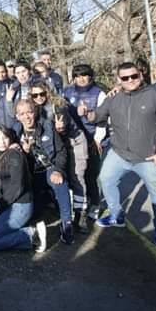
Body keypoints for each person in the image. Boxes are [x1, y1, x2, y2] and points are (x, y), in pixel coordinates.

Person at [86, 61, 156, 249]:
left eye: (134, 76)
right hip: (119, 153)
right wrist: (86, 112)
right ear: (118, 80)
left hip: (149, 157)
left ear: (141, 75)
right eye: (125, 78)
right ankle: (116, 215)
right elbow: (98, 116)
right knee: (105, 180)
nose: (130, 80)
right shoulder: (114, 98)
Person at [29, 80, 90, 233]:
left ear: (47, 92)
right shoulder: (35, 109)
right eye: (34, 95)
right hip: (58, 144)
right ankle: (65, 208)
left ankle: (80, 214)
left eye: (42, 94)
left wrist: (61, 128)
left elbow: (63, 120)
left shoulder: (58, 104)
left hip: (73, 141)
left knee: (77, 177)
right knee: (63, 177)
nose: (38, 97)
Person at [13, 98, 74, 244]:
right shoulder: (14, 133)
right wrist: (25, 153)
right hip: (30, 176)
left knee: (60, 182)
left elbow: (61, 151)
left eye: (29, 112)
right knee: (34, 211)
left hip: (49, 168)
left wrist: (58, 170)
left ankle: (67, 223)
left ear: (35, 112)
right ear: (17, 116)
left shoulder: (47, 125)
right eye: (22, 114)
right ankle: (46, 199)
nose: (27, 117)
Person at [0, 126, 47, 253]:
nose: (2, 142)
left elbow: (17, 186)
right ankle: (16, 230)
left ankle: (31, 234)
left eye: (4, 138)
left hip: (20, 206)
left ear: (10, 138)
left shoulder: (14, 155)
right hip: (8, 203)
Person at [62, 63, 108, 221]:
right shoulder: (67, 92)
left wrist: (97, 139)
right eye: (77, 75)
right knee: (75, 174)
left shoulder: (99, 93)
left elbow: (103, 119)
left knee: (92, 174)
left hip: (93, 139)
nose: (81, 79)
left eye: (84, 75)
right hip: (73, 139)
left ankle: (95, 203)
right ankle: (82, 201)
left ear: (91, 76)